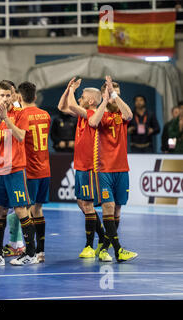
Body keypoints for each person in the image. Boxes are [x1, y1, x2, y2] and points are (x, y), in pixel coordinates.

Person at [0, 80, 37, 266]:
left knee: (21, 209)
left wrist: (7, 119)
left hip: (15, 169)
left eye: (9, 95)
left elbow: (21, 136)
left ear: (14, 96)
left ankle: (30, 253)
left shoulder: (21, 113)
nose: (5, 99)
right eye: (2, 95)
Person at [89, 76, 138, 262]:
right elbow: (93, 122)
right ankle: (118, 251)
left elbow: (130, 115)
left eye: (116, 93)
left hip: (121, 169)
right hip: (104, 169)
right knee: (108, 207)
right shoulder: (102, 114)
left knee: (117, 210)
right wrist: (104, 99)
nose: (112, 96)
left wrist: (114, 95)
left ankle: (104, 248)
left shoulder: (121, 115)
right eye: (109, 93)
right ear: (103, 94)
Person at [61, 78, 107, 259]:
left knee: (87, 204)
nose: (79, 98)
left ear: (90, 101)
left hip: (89, 166)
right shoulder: (82, 113)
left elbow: (71, 105)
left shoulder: (92, 113)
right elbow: (62, 107)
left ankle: (89, 246)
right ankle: (103, 236)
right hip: (80, 165)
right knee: (82, 203)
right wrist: (67, 90)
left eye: (82, 97)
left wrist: (72, 90)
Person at [17, 81, 50, 263]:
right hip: (45, 168)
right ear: (35, 97)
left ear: (19, 97)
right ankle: (40, 251)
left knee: (26, 210)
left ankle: (29, 251)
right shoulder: (45, 114)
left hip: (28, 169)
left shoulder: (21, 115)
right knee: (38, 209)